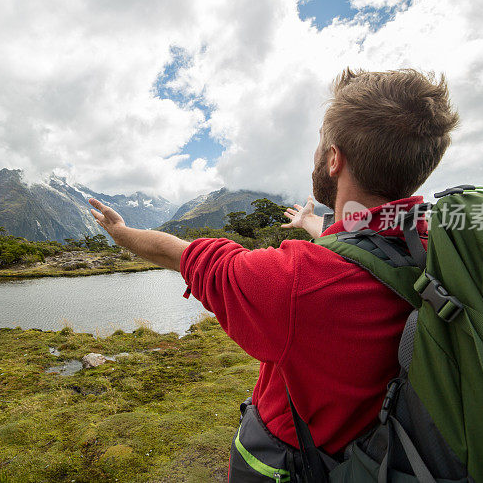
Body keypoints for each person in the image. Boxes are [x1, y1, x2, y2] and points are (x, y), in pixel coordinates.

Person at [88, 68, 459, 480]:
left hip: (299, 464)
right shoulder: (439, 246)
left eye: (322, 143)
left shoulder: (296, 281)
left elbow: (182, 254)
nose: (317, 154)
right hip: (390, 455)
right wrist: (312, 225)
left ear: (335, 159)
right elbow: (364, 245)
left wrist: (120, 233)